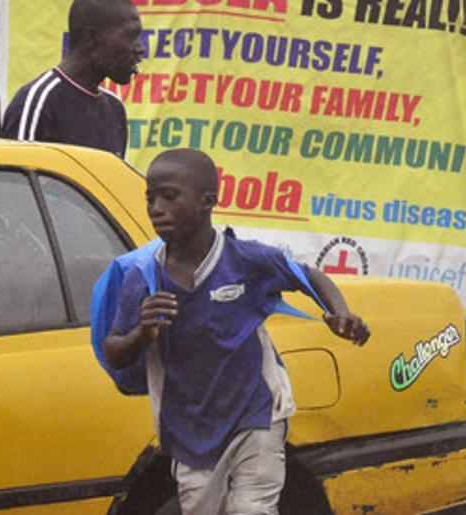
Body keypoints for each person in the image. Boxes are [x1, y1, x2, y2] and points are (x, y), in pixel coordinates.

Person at [103, 148, 370, 515]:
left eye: (169, 196)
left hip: (256, 416)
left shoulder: (245, 261)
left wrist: (340, 313)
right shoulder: (144, 278)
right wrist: (142, 332)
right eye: (150, 198)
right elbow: (114, 351)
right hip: (191, 432)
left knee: (253, 509)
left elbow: (309, 274)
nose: (155, 208)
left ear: (207, 202)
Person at [2, 0, 144, 157]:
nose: (140, 48)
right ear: (92, 37)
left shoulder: (114, 108)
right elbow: (18, 180)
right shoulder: (38, 102)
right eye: (130, 36)